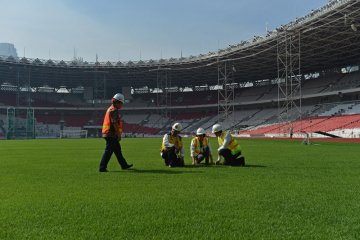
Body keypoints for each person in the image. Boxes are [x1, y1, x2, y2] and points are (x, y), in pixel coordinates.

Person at [99, 93, 133, 172]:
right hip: (111, 134)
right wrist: (118, 134)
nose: (122, 105)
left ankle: (124, 165)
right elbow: (114, 123)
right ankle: (102, 167)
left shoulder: (111, 109)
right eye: (121, 103)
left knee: (118, 151)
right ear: (117, 102)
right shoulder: (113, 110)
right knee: (108, 151)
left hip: (108, 133)